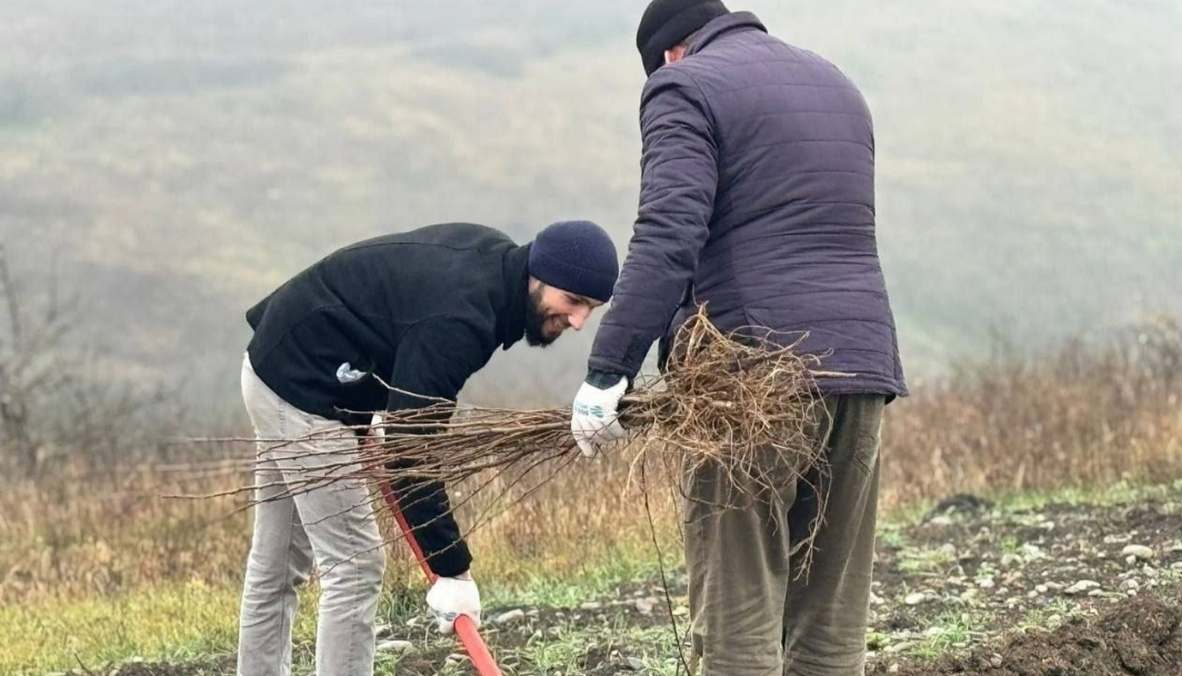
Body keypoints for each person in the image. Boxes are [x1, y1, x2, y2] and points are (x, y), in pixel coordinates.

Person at [570, 2, 907, 674]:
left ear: (670, 53)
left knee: (738, 619)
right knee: (829, 624)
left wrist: (609, 370)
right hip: (860, 373)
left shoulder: (684, 87)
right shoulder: (836, 84)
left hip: (749, 383)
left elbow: (669, 234)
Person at [238, 220, 618, 676]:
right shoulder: (462, 320)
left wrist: (377, 408)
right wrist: (451, 568)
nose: (578, 321)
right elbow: (411, 450)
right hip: (303, 389)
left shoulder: (492, 265)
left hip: (281, 360)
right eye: (572, 301)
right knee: (354, 567)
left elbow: (396, 337)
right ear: (538, 275)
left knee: (278, 565)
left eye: (590, 309)